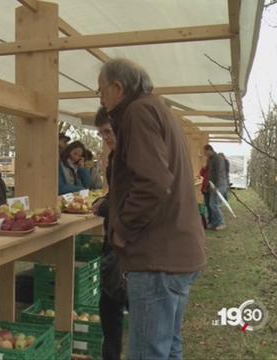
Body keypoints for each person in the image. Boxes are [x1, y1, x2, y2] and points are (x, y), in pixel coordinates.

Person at [98, 58, 205, 360]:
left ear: (117, 87)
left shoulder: (137, 111)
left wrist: (122, 231)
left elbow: (154, 183)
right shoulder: (158, 108)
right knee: (169, 347)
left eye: (101, 91)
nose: (101, 100)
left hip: (158, 258)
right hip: (177, 254)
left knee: (148, 353)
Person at [92, 107, 126, 360]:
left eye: (107, 131)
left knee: (113, 304)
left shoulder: (129, 156)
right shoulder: (115, 156)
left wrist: (105, 206)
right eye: (101, 133)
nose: (105, 137)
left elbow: (130, 200)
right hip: (114, 239)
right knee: (109, 307)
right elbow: (118, 193)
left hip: (124, 243)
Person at [204, 144, 228, 230]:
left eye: (205, 152)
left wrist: (217, 185)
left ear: (209, 150)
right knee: (212, 204)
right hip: (213, 185)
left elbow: (219, 172)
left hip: (219, 185)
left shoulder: (218, 158)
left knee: (214, 204)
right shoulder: (211, 159)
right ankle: (214, 223)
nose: (205, 154)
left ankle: (222, 223)